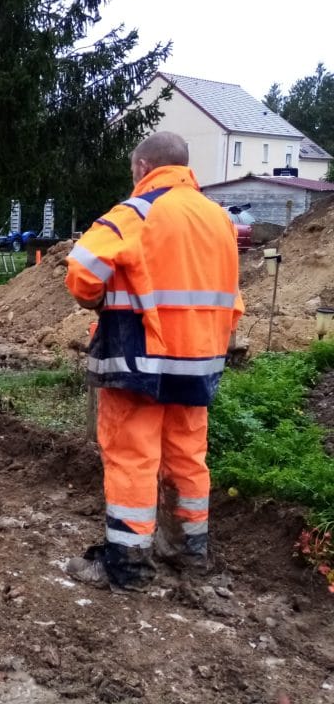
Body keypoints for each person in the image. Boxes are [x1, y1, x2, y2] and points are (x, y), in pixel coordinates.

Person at [63, 131, 243, 592]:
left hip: (142, 359)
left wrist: (99, 297)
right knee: (187, 455)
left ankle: (128, 567)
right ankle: (188, 550)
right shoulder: (220, 220)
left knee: (132, 457)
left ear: (143, 168)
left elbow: (82, 272)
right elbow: (232, 297)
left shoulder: (137, 212)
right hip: (201, 359)